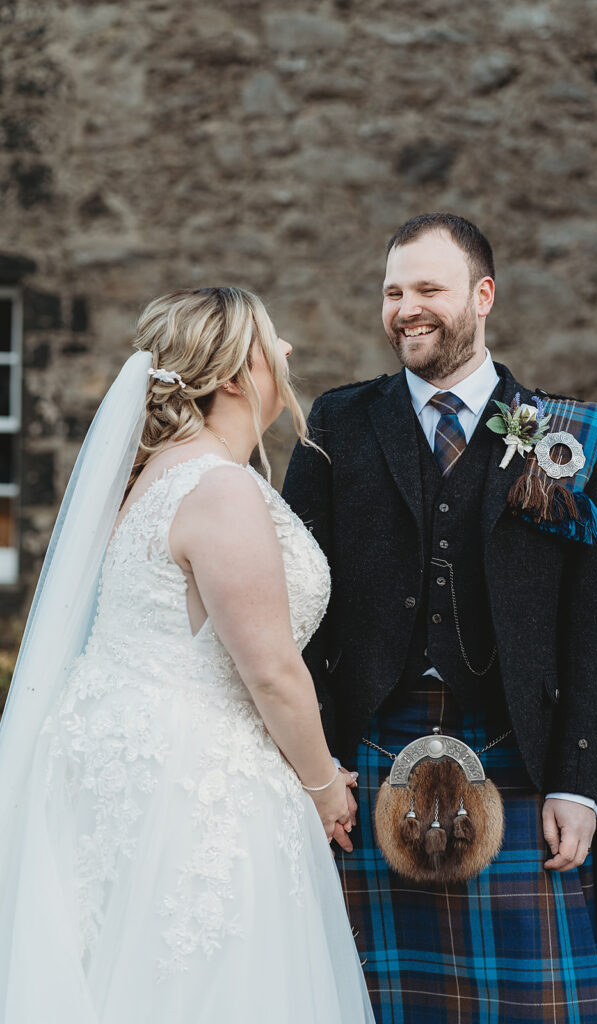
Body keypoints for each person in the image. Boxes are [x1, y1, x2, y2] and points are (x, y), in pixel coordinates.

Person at [283, 213, 597, 1023]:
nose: (406, 308)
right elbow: (295, 605)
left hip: (518, 759)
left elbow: (587, 631)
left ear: (483, 295)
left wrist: (576, 782)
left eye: (428, 288)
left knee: (536, 1005)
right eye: (392, 292)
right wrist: (316, 765)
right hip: (366, 756)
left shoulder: (573, 438)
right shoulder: (337, 422)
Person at [0, 286, 375, 1023]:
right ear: (234, 375)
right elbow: (268, 670)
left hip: (121, 758)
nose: (289, 353)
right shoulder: (219, 489)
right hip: (197, 779)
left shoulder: (148, 479)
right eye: (274, 341)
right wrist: (324, 784)